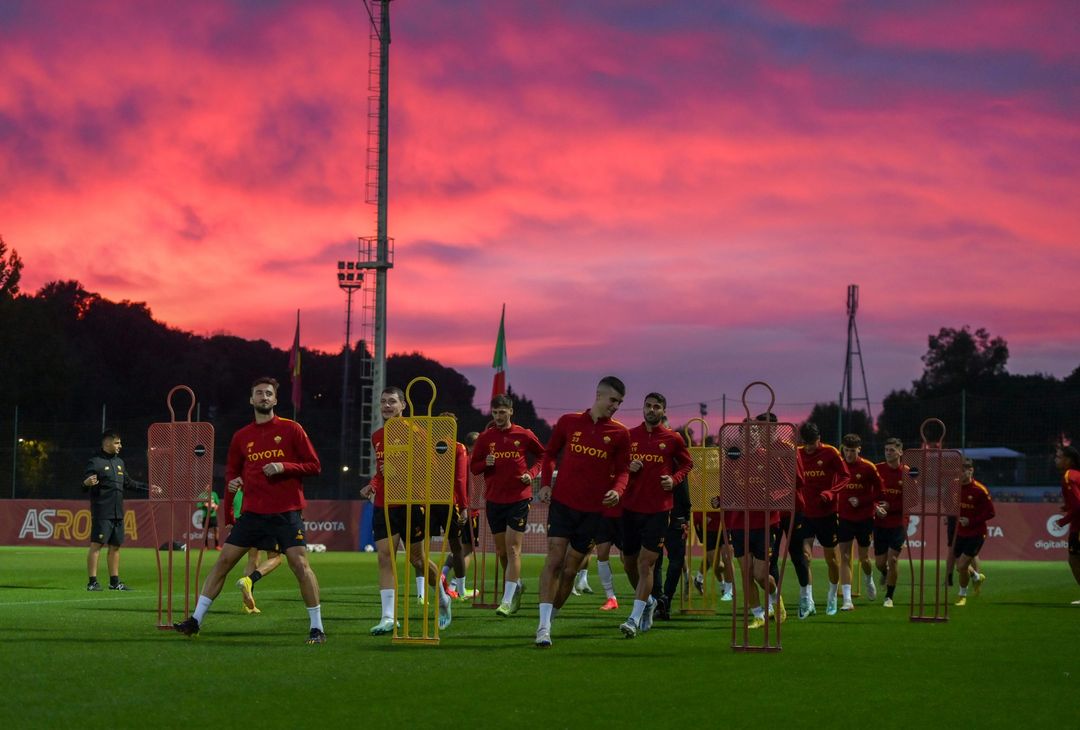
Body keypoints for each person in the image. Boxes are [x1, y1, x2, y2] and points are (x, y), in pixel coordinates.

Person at [172, 377, 326, 644]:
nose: (264, 397)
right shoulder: (241, 436)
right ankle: (195, 621)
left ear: (276, 400)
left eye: (268, 393)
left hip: (286, 512)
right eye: (259, 393)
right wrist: (231, 498)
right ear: (251, 399)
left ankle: (316, 627)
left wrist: (283, 467)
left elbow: (314, 466)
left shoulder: (292, 430)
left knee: (300, 565)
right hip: (253, 514)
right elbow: (232, 472)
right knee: (223, 562)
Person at [535, 376, 631, 648]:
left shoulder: (620, 434)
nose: (616, 406)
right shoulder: (569, 421)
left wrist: (618, 490)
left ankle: (550, 618)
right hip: (563, 505)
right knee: (553, 561)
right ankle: (542, 627)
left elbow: (623, 470)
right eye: (613, 400)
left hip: (593, 512)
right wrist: (545, 485)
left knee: (569, 571)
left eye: (620, 403)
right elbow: (550, 454)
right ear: (599, 395)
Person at [359, 386, 452, 635]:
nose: (387, 406)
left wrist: (406, 473)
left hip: (412, 502)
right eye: (383, 402)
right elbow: (382, 470)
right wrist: (373, 484)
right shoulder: (377, 436)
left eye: (392, 402)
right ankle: (388, 617)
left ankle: (443, 598)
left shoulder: (418, 433)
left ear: (403, 406)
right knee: (385, 557)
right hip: (384, 504)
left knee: (417, 560)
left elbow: (433, 466)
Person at [618, 392, 693, 637]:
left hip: (659, 511)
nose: (651, 410)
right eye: (648, 406)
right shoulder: (629, 436)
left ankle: (633, 618)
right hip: (630, 508)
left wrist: (674, 479)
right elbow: (614, 463)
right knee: (628, 563)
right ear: (643, 408)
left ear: (663, 411)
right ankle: (649, 602)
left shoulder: (673, 439)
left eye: (656, 407)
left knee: (646, 564)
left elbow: (687, 464)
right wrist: (628, 466)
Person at [470, 394, 545, 616]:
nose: (499, 416)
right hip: (494, 499)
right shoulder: (486, 438)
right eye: (495, 413)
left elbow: (543, 455)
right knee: (502, 551)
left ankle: (506, 599)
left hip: (519, 498)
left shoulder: (524, 434)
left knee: (513, 548)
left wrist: (531, 474)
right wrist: (486, 463)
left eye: (503, 412)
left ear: (511, 411)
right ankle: (517, 585)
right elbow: (474, 467)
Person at [83, 429, 159, 591]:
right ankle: (92, 582)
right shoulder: (94, 462)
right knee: (97, 545)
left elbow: (130, 483)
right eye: (117, 443)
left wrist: (149, 488)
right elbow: (84, 484)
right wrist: (87, 483)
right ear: (107, 443)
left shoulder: (119, 463)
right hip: (102, 512)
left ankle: (114, 582)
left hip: (118, 512)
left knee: (115, 546)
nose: (120, 446)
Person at [797, 422, 850, 617]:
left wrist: (831, 492)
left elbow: (845, 476)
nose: (810, 447)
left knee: (832, 560)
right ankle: (808, 601)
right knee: (805, 557)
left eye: (813, 443)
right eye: (806, 443)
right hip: (805, 514)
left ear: (819, 438)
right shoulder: (798, 453)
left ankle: (831, 596)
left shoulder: (831, 453)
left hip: (827, 514)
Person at [836, 433, 883, 610]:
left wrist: (862, 501)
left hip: (864, 518)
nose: (848, 454)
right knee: (845, 556)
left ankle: (868, 579)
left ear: (859, 450)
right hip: (845, 518)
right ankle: (847, 600)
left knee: (864, 558)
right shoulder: (838, 467)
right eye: (846, 450)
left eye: (852, 451)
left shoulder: (868, 467)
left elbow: (880, 491)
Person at [230, 485, 283, 614]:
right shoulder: (260, 472)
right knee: (276, 558)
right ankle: (249, 580)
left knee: (253, 558)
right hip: (265, 513)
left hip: (245, 517)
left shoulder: (240, 481)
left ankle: (248, 605)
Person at [953, 458, 995, 606]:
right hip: (960, 532)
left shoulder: (979, 490)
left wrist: (971, 521)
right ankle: (977, 576)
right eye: (958, 470)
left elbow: (991, 513)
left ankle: (962, 596)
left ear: (971, 471)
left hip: (976, 533)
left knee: (961, 566)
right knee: (960, 565)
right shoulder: (955, 487)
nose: (960, 473)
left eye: (963, 470)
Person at [873, 437, 907, 608]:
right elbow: (869, 493)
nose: (888, 453)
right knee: (880, 563)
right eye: (886, 450)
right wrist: (876, 507)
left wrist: (890, 506)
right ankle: (885, 573)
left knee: (893, 560)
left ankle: (889, 597)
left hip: (898, 524)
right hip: (879, 523)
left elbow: (913, 500)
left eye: (892, 450)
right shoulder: (877, 469)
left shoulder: (908, 472)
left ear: (900, 452)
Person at [1054, 445, 1080, 604]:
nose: (1055, 459)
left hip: (1079, 526)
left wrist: (1063, 521)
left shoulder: (1069, 476)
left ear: (1068, 460)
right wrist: (1068, 506)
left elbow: (1078, 506)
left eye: (1058, 456)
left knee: (1074, 560)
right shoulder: (1077, 474)